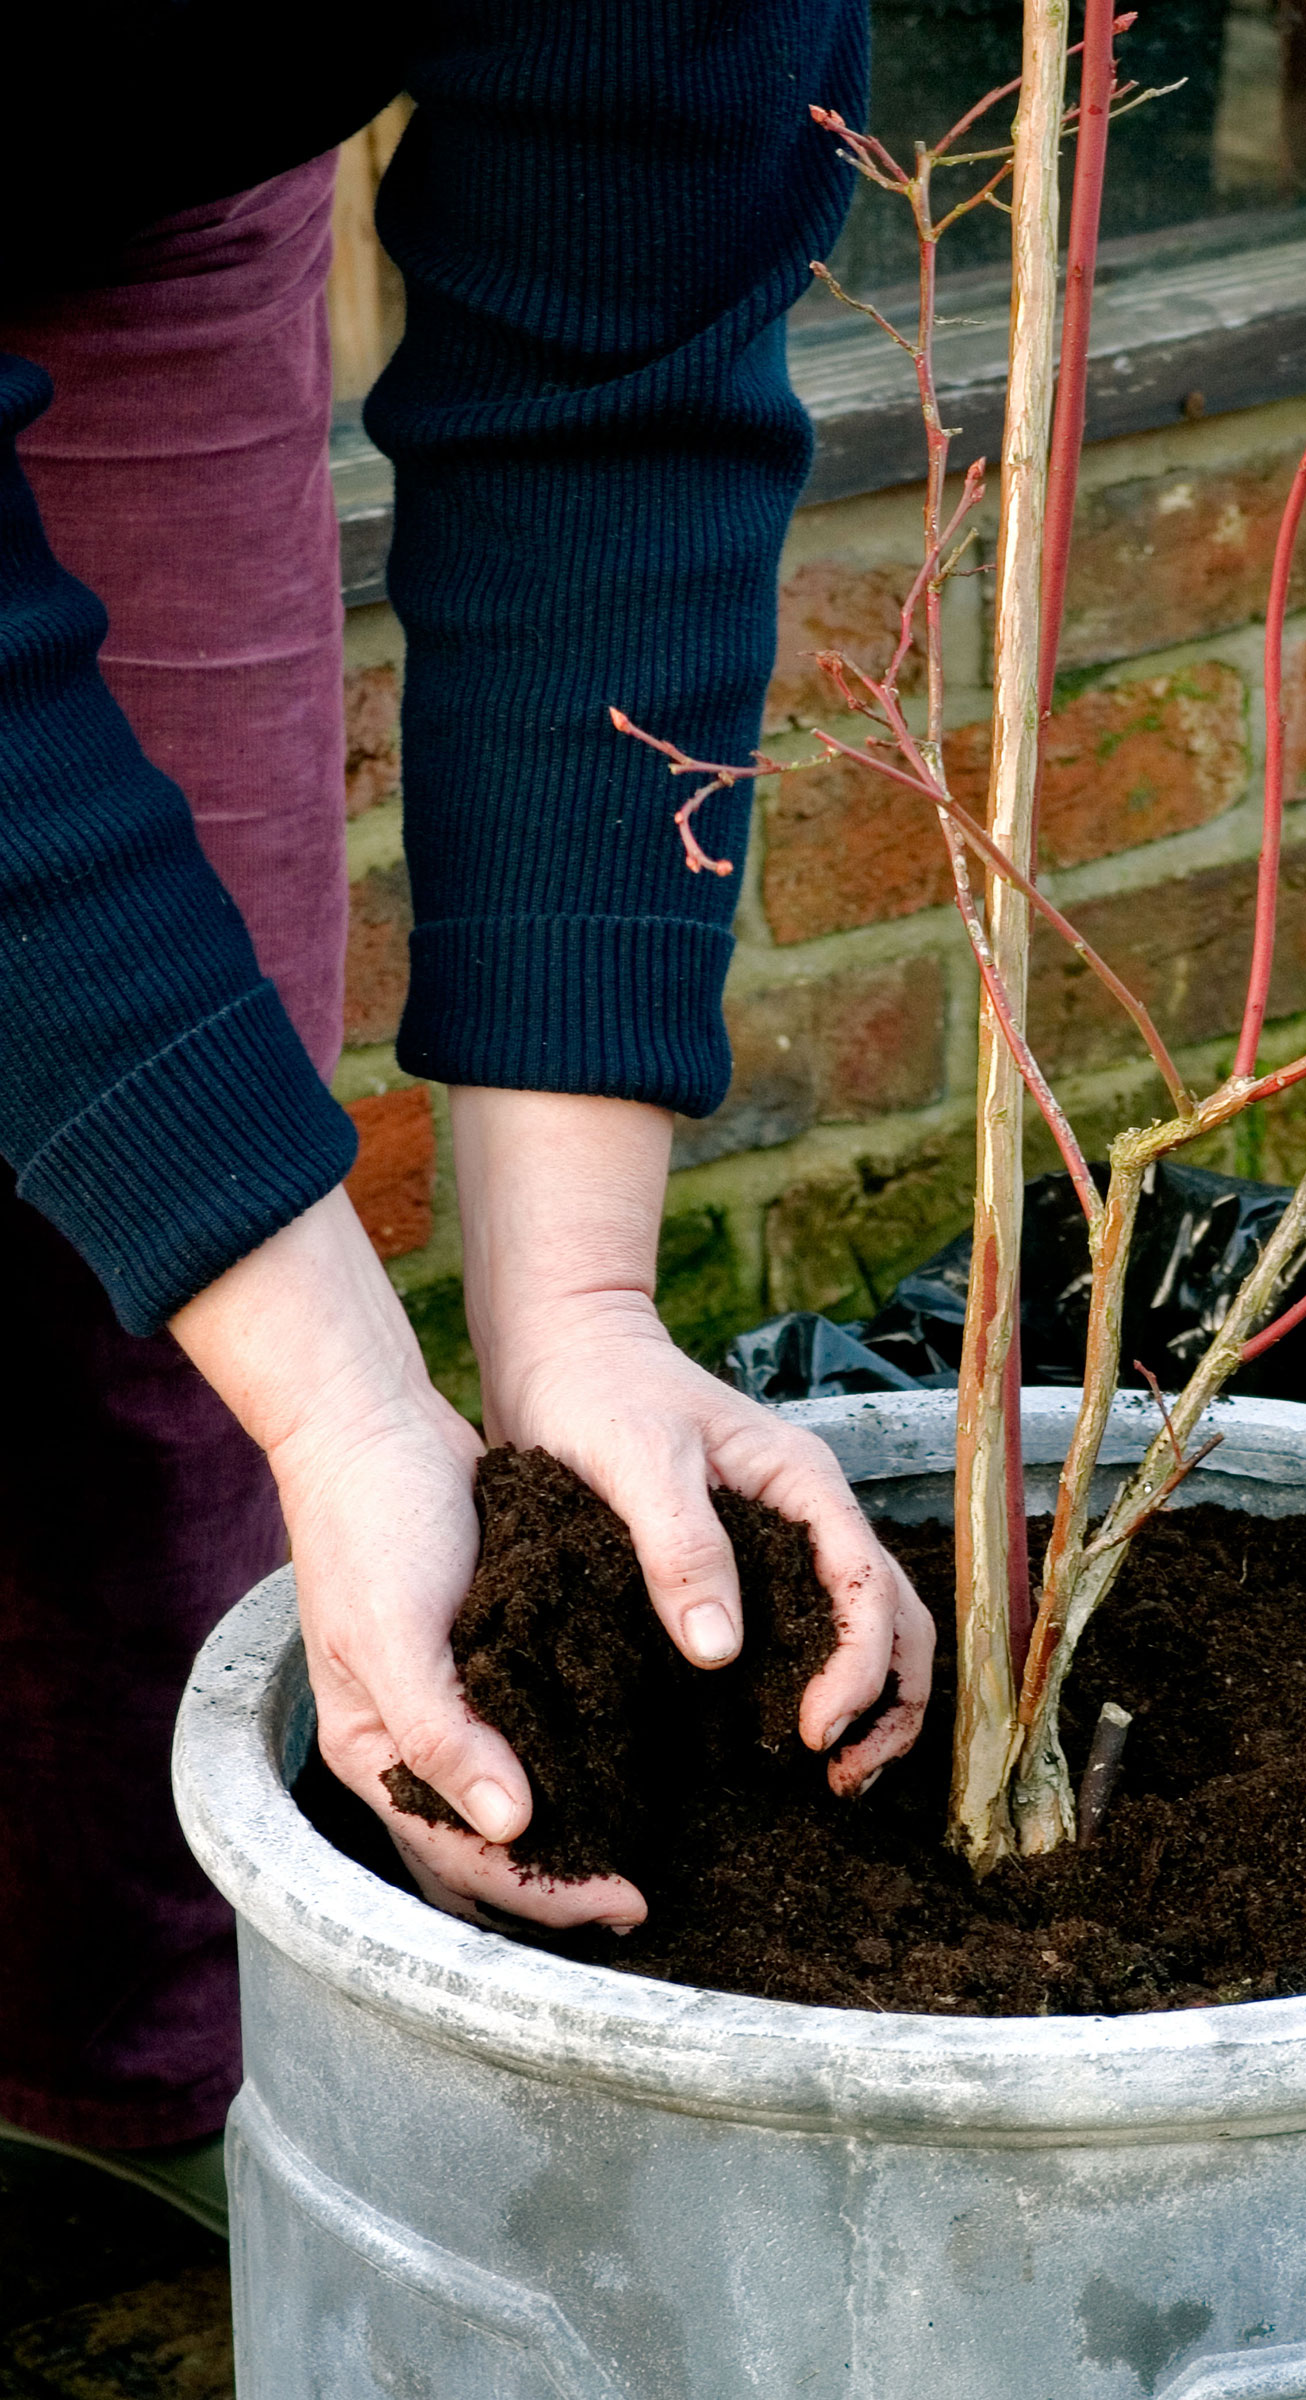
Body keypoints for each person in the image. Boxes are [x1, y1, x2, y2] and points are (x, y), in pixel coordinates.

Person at [0, 1, 933, 2235]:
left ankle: (118, 2108)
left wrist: (567, 1323)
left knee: (156, 1350)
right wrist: (333, 1378)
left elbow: (616, 376)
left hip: (139, 182)